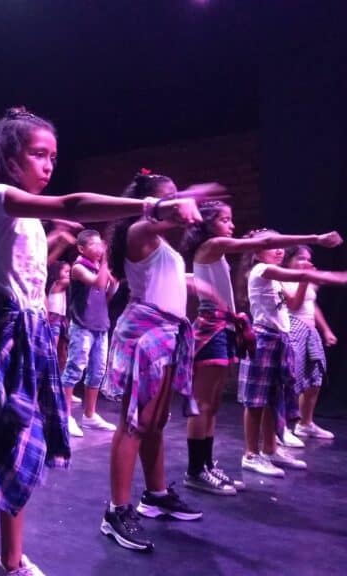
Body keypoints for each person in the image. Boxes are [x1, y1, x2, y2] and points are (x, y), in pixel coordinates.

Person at [0, 109, 216, 575]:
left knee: (18, 450)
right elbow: (70, 203)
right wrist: (150, 207)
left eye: (53, 156)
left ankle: (11, 562)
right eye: (38, 154)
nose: (48, 165)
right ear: (9, 157)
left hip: (28, 332)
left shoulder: (24, 213)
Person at [179, 202, 341, 494]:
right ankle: (195, 470)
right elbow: (264, 241)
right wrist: (315, 239)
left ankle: (205, 465)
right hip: (211, 326)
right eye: (225, 219)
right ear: (207, 224)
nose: (231, 225)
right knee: (204, 403)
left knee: (213, 403)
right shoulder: (211, 245)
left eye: (231, 219)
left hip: (225, 326)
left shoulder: (216, 253)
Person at [100, 170, 223, 552]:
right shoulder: (139, 232)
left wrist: (195, 283)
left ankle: (154, 495)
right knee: (135, 423)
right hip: (147, 333)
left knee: (154, 423)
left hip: (167, 333)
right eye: (166, 196)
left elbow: (165, 274)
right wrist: (195, 193)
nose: (176, 200)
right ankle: (116, 511)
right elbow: (157, 219)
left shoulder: (162, 247)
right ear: (149, 201)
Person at [236, 230, 346, 479]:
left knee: (274, 399)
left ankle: (270, 449)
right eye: (272, 245)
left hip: (279, 338)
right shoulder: (261, 270)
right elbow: (301, 273)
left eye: (280, 246)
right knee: (256, 401)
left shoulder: (274, 278)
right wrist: (337, 277)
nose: (279, 250)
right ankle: (251, 455)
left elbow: (295, 302)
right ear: (257, 251)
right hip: (263, 338)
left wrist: (307, 277)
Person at [60, 229, 118, 438]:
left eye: (100, 244)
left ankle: (90, 415)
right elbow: (98, 283)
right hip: (82, 326)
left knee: (97, 371)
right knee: (74, 368)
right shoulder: (78, 267)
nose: (99, 248)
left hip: (100, 325)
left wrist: (114, 282)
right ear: (81, 248)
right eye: (94, 244)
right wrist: (105, 263)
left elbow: (106, 293)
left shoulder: (97, 266)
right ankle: (65, 416)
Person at [283, 245, 338, 440]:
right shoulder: (281, 279)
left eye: (308, 259)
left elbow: (310, 305)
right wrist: (306, 279)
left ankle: (305, 423)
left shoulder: (306, 280)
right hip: (293, 329)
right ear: (288, 260)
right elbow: (294, 305)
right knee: (291, 380)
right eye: (300, 258)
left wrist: (326, 330)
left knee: (315, 379)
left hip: (310, 330)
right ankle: (282, 428)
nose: (306, 262)